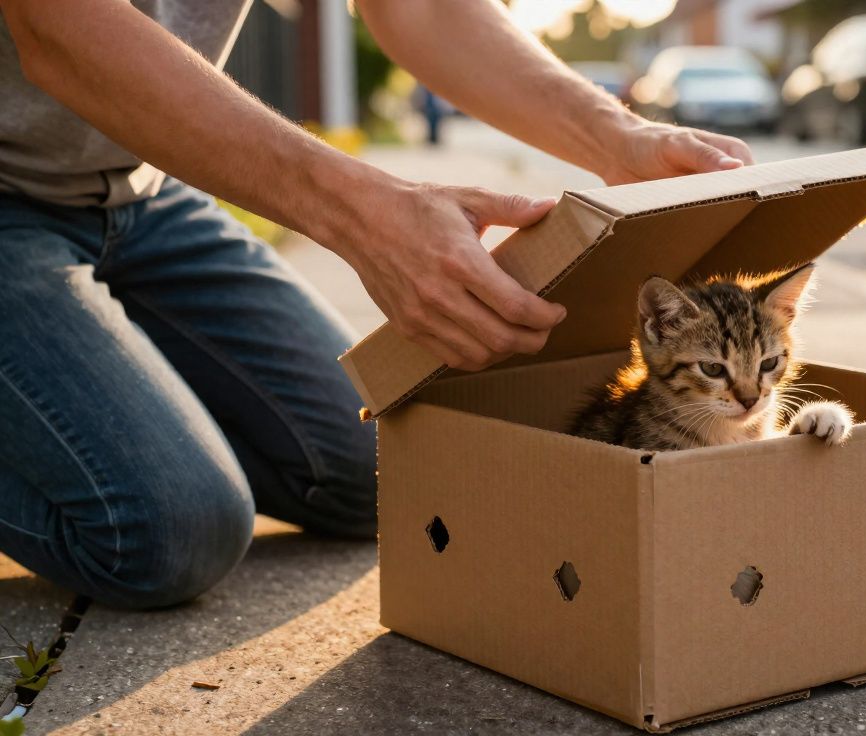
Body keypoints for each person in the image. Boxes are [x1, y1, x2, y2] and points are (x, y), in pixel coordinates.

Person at [0, 0, 752, 609]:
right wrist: (363, 213)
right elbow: (59, 26)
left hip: (144, 191)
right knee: (168, 535)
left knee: (381, 471)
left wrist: (619, 139)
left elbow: (422, 9)